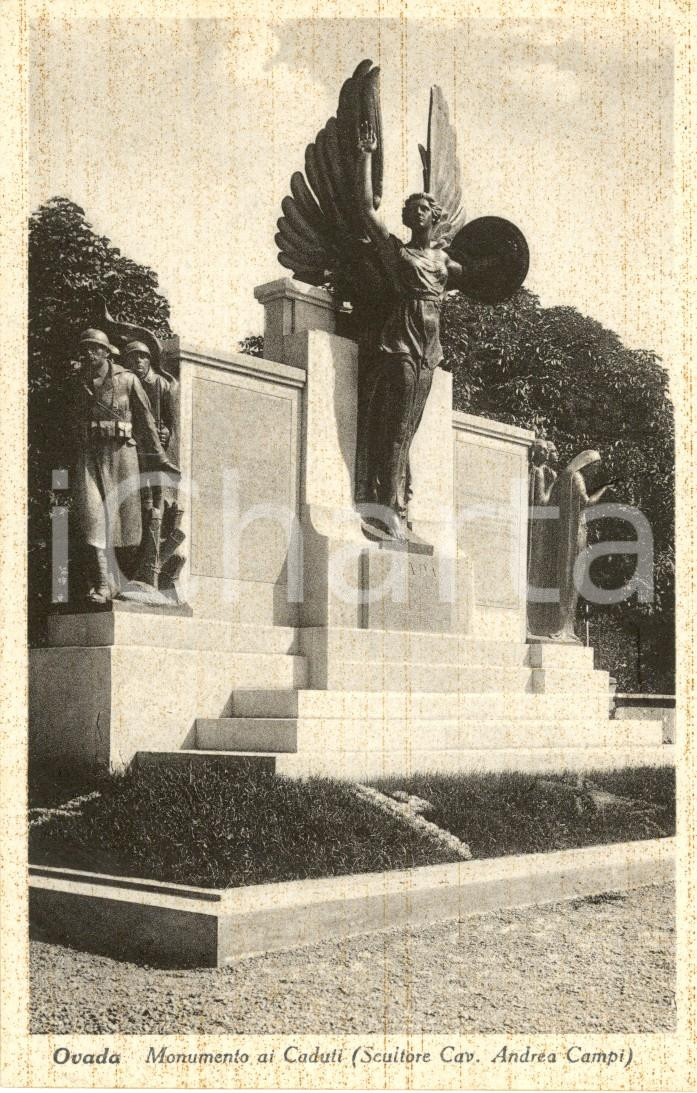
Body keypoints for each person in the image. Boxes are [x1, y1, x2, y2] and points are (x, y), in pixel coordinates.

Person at [355, 121, 469, 540]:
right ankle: (388, 511)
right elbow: (367, 212)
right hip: (401, 338)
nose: (413, 212)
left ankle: (397, 505)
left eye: (421, 208)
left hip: (431, 346)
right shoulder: (398, 252)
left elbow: (488, 273)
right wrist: (366, 156)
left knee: (409, 427)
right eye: (410, 209)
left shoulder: (445, 263)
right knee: (397, 426)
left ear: (434, 216)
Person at [70, 328, 178, 603]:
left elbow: (146, 423)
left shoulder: (127, 379)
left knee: (126, 527)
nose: (88, 353)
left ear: (106, 352)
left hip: (122, 456)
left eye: (94, 348)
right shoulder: (76, 381)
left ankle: (130, 581)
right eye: (84, 348)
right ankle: (105, 584)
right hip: (89, 455)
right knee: (92, 516)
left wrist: (161, 459)